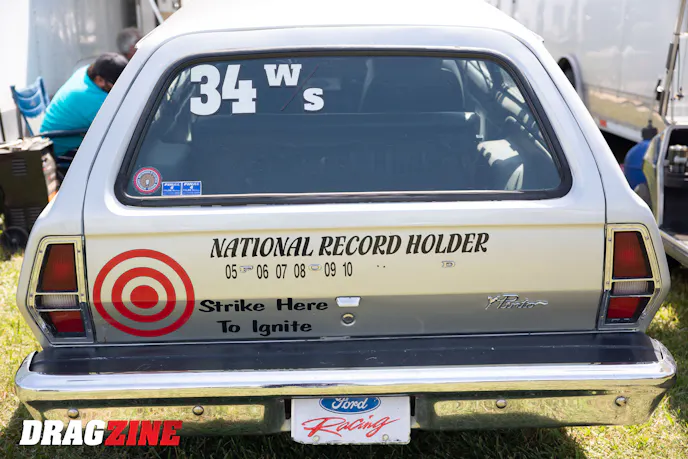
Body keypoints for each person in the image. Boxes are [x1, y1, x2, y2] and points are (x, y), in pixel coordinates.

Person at [40, 53, 128, 157]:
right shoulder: (93, 100)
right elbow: (121, 129)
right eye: (117, 84)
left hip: (57, 138)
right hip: (61, 152)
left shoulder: (84, 72)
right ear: (99, 80)